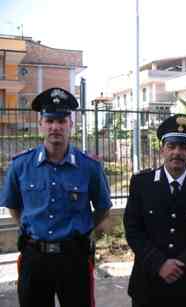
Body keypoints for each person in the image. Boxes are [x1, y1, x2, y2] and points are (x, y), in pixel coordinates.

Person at [0, 87, 112, 307]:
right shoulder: (21, 165)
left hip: (74, 259)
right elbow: (14, 207)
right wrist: (31, 226)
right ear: (41, 124)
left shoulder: (89, 167)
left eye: (61, 121)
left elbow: (103, 209)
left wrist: (82, 229)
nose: (55, 127)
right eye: (50, 120)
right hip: (34, 258)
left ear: (70, 125)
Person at [123, 114, 186, 307]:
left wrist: (182, 264)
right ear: (162, 150)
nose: (177, 152)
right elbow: (133, 230)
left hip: (185, 284)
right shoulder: (142, 184)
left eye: (183, 147)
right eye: (171, 146)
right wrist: (159, 264)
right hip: (147, 283)